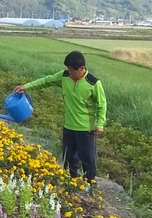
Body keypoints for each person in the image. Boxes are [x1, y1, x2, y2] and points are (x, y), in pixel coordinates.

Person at [15, 50, 106, 182]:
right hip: (68, 126)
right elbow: (46, 81)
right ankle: (72, 181)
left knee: (87, 159)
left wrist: (100, 124)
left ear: (82, 68)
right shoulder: (64, 76)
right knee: (69, 157)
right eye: (68, 68)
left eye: (71, 69)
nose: (69, 72)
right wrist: (26, 87)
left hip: (86, 128)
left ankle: (89, 185)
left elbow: (102, 105)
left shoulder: (93, 83)